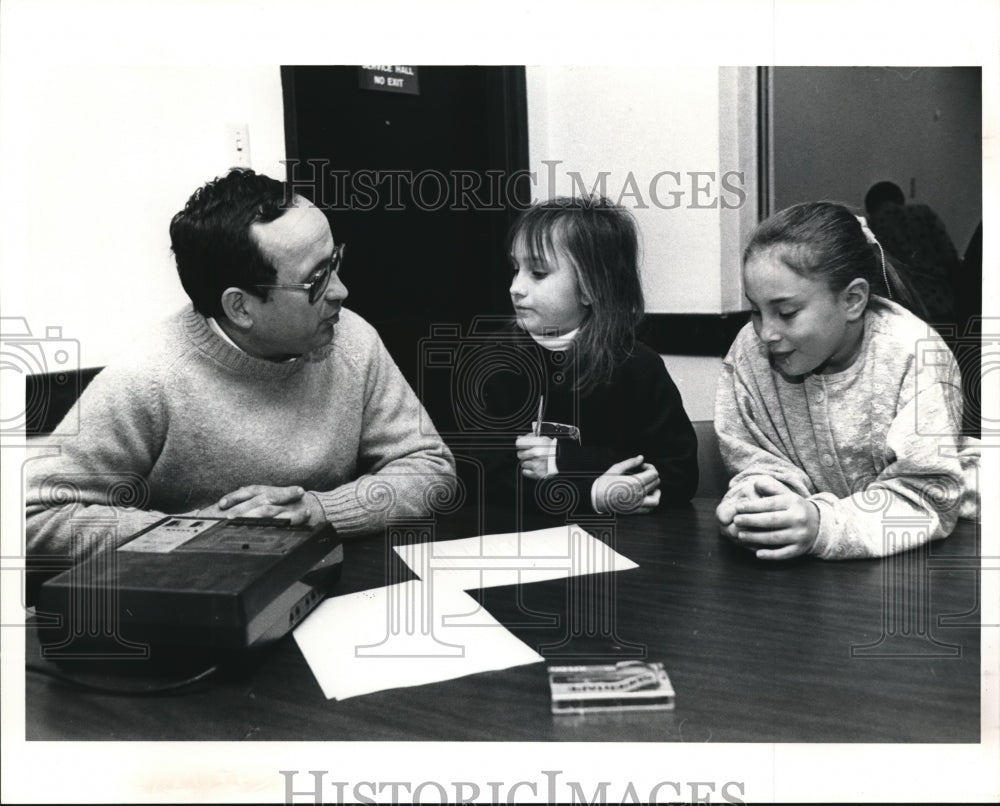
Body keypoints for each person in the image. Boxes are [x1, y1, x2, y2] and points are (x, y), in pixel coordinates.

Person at [25, 169, 456, 564]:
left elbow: (431, 470)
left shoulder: (353, 339)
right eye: (318, 278)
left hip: (326, 579)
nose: (342, 291)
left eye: (335, 262)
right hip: (198, 601)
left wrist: (320, 510)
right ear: (241, 307)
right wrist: (197, 531)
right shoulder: (150, 376)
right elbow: (32, 520)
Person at [714, 201, 979, 561]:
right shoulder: (749, 352)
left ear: (852, 300)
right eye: (756, 311)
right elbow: (758, 462)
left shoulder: (914, 355)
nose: (766, 333)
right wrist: (757, 507)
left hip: (948, 548)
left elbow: (925, 495)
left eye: (786, 312)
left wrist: (824, 525)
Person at [477, 196, 698, 524]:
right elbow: (484, 478)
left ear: (591, 288)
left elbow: (679, 473)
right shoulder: (494, 360)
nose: (515, 287)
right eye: (515, 268)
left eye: (537, 273)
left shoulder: (637, 365)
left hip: (629, 547)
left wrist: (565, 462)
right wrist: (591, 494)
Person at [863, 180, 960, 326]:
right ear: (900, 199)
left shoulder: (873, 227)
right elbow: (950, 258)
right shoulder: (924, 214)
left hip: (905, 309)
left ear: (870, 207)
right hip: (942, 304)